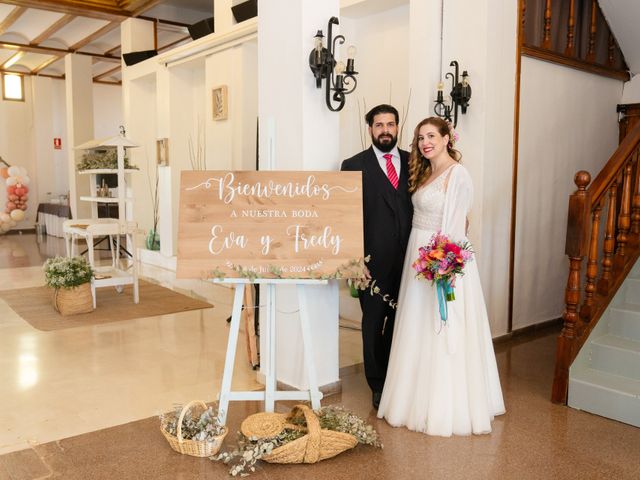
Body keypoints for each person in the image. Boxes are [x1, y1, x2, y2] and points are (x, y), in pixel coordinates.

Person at [377, 117, 505, 436]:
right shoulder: (428, 171)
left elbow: (456, 226)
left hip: (440, 257)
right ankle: (410, 397)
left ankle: (442, 405)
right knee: (416, 326)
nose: (425, 142)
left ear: (447, 138)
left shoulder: (458, 174)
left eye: (431, 136)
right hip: (417, 254)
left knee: (439, 326)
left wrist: (443, 266)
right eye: (421, 138)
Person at [341, 104, 413, 409]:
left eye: (390, 124)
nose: (385, 130)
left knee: (402, 320)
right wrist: (354, 260)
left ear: (398, 127)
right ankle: (377, 384)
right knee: (373, 322)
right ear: (370, 129)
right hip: (371, 263)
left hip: (411, 261)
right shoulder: (353, 164)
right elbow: (346, 216)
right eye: (379, 125)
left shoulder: (415, 162)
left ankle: (397, 376)